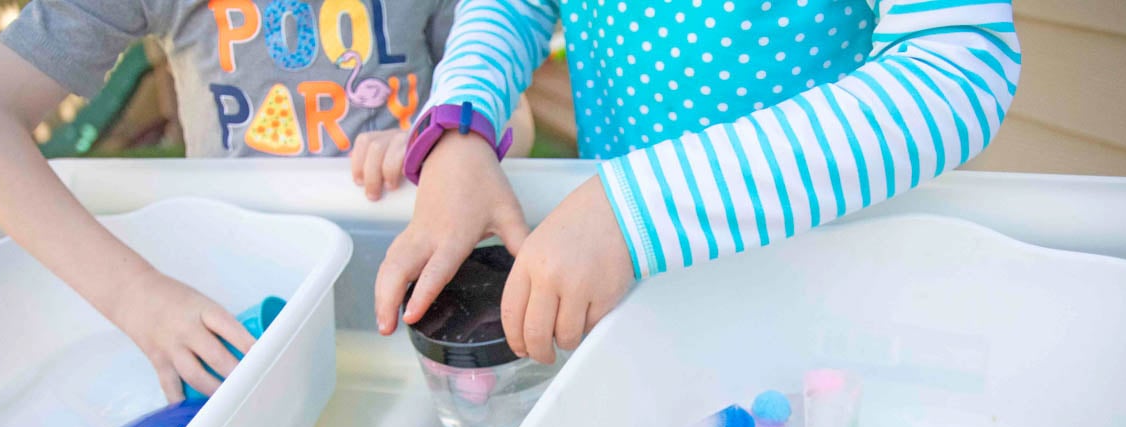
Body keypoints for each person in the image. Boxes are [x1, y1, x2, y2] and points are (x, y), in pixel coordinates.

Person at [380, 0, 1020, 365]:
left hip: (825, 293)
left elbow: (957, 66)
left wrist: (638, 212)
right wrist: (463, 122)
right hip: (631, 287)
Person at [0, 0, 533, 400]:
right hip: (240, 319)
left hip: (417, 313)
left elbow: (516, 115)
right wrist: (134, 295)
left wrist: (449, 137)